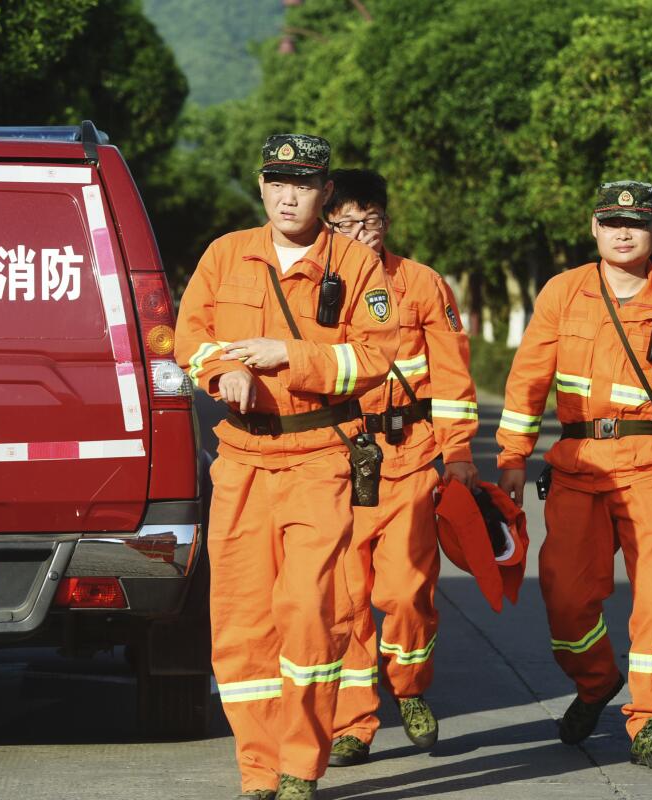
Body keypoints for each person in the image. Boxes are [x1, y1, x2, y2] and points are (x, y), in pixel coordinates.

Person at [174, 135, 398, 800]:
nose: (288, 194)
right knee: (241, 622)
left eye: (303, 182)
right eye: (277, 181)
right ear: (262, 184)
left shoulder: (357, 265)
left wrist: (287, 356)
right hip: (241, 461)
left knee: (307, 612)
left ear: (326, 193)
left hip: (318, 459)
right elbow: (191, 337)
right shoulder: (224, 256)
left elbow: (374, 357)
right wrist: (225, 371)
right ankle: (258, 772)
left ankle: (301, 764)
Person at [497, 181, 652, 770]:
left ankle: (650, 720)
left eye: (636, 221)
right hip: (578, 469)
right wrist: (510, 458)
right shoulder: (562, 292)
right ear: (594, 228)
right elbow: (528, 382)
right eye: (611, 221)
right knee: (564, 594)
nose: (623, 231)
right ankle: (597, 679)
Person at [321, 169, 480, 767]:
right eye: (345, 222)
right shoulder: (317, 284)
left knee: (407, 590)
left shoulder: (421, 283)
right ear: (327, 224)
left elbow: (455, 377)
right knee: (347, 597)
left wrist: (459, 453)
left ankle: (410, 689)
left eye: (371, 219)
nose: (360, 232)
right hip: (337, 458)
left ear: (387, 221)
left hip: (411, 455)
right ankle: (353, 725)